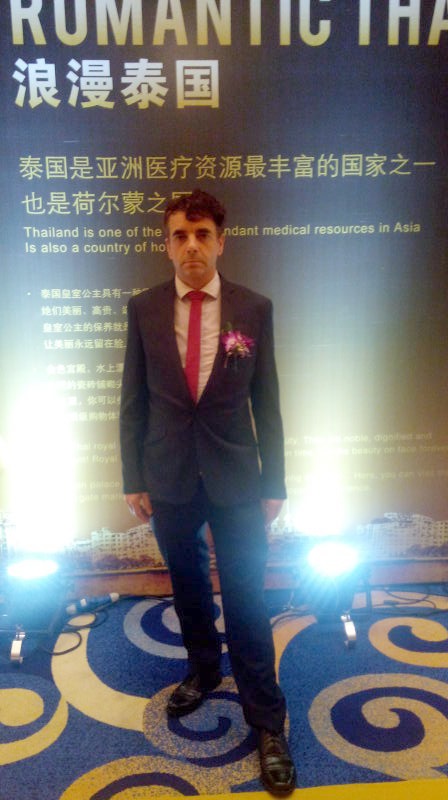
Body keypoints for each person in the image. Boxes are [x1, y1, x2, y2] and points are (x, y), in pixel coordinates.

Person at [120, 189, 296, 796]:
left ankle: (267, 721)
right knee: (188, 582)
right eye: (179, 235)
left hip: (236, 474)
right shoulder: (143, 308)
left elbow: (267, 402)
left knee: (245, 596)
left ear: (221, 241)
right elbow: (133, 400)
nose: (191, 246)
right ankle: (202, 667)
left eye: (202, 235)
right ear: (167, 245)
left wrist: (275, 480)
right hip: (167, 472)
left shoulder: (254, 308)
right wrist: (132, 476)